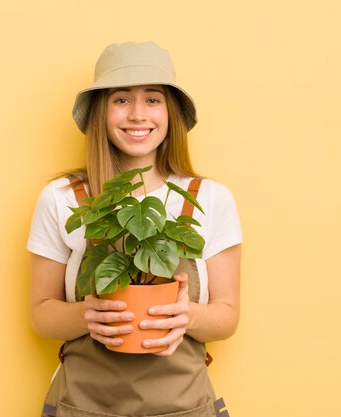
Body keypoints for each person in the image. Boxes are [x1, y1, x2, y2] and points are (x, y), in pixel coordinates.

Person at [27, 41, 242, 417]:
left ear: (170, 112)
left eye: (153, 99)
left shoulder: (209, 198)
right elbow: (41, 313)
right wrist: (87, 315)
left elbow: (227, 315)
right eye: (121, 99)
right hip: (83, 406)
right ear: (102, 112)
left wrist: (186, 315)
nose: (138, 115)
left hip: (183, 407)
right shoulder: (63, 198)